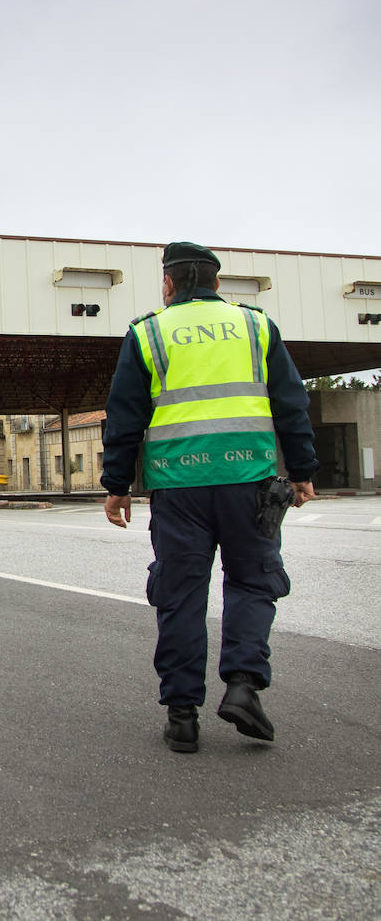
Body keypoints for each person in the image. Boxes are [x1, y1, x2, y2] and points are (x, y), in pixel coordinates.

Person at [101, 241, 318, 754]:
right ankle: (243, 686)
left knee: (180, 595)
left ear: (169, 284)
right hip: (252, 485)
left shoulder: (148, 332)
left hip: (179, 489)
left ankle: (182, 716)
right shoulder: (256, 326)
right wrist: (304, 470)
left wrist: (116, 487)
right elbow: (291, 403)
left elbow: (125, 416)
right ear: (218, 284)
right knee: (251, 583)